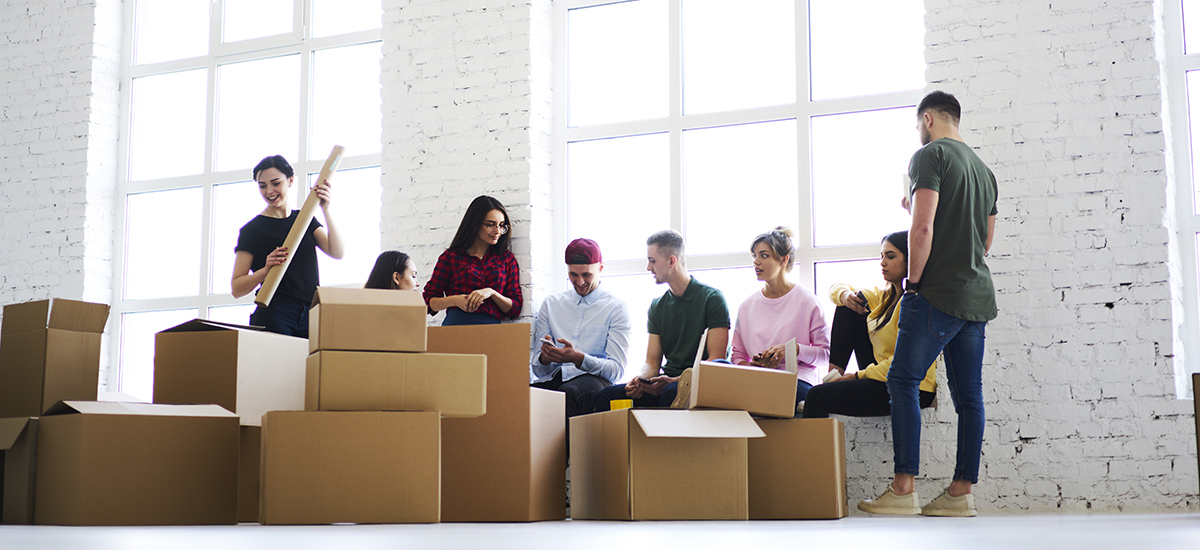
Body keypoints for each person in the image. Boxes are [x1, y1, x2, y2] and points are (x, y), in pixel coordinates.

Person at [858, 91, 998, 518]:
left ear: (930, 118)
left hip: (937, 292)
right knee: (969, 397)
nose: (920, 130)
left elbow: (921, 229)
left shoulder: (929, 156)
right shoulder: (984, 170)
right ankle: (960, 493)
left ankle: (904, 489)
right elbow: (984, 242)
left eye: (920, 123)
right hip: (976, 295)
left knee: (901, 381)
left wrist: (913, 283)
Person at [802, 231, 936, 419]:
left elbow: (906, 362)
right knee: (849, 304)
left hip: (912, 385)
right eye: (882, 256)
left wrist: (857, 376)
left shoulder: (918, 302)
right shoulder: (884, 298)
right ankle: (832, 377)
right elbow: (836, 288)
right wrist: (844, 296)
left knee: (816, 396)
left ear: (910, 259)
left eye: (890, 256)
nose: (882, 263)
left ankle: (811, 448)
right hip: (884, 376)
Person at [591, 230, 730, 411]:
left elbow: (715, 362)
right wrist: (640, 380)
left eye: (652, 260)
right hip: (665, 384)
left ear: (672, 261)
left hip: (698, 385)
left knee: (670, 392)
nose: (649, 267)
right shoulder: (658, 306)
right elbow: (652, 363)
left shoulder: (712, 299)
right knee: (605, 396)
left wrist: (674, 381)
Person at [232, 155, 344, 337]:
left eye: (275, 183)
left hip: (311, 311)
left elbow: (337, 252)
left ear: (290, 181)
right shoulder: (252, 230)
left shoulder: (305, 220)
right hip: (276, 311)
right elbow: (237, 289)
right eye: (262, 185)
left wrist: (326, 210)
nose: (269, 191)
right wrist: (266, 269)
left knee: (308, 366)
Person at [530, 238, 631, 422]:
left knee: (569, 394)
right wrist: (545, 358)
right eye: (573, 275)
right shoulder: (551, 305)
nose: (580, 281)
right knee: (526, 394)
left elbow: (616, 371)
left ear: (600, 268)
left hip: (595, 379)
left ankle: (566, 452)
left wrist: (578, 358)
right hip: (558, 376)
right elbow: (538, 370)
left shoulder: (616, 308)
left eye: (586, 274)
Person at [729, 227, 829, 412]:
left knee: (775, 393)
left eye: (764, 255)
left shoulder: (808, 302)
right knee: (721, 373)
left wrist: (793, 350)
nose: (756, 261)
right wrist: (753, 365)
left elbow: (826, 356)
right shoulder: (746, 307)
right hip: (757, 380)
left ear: (784, 259)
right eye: (754, 255)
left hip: (797, 381)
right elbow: (737, 356)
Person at [422, 195, 523, 325]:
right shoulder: (450, 257)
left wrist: (491, 293)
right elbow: (428, 301)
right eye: (490, 225)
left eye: (502, 226)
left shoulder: (506, 259)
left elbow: (515, 309)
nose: (497, 231)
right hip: (455, 328)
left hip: (493, 333)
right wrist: (455, 300)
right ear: (475, 224)